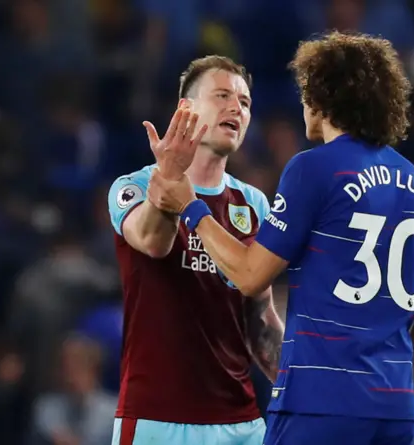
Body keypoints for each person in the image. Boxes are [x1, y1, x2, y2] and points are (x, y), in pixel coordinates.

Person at [149, 32, 414, 445]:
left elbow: (249, 276)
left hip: (319, 405)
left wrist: (191, 207)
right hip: (394, 409)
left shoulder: (313, 168)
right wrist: (385, 386)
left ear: (324, 96)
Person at [107, 55, 284, 445]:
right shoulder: (133, 186)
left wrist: (307, 389)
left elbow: (260, 317)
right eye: (222, 95)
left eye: (245, 102)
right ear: (185, 109)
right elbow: (153, 242)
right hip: (156, 419)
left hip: (242, 424)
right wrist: (170, 177)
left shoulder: (254, 204)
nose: (236, 107)